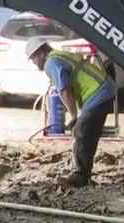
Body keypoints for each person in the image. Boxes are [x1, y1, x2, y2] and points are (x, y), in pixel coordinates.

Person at [25, 36, 115, 188]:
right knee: (88, 133)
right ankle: (84, 173)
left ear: (40, 53)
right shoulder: (58, 55)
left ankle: (80, 177)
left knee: (81, 131)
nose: (34, 62)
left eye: (33, 58)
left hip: (98, 92)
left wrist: (74, 116)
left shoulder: (51, 62)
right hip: (104, 88)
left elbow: (65, 90)